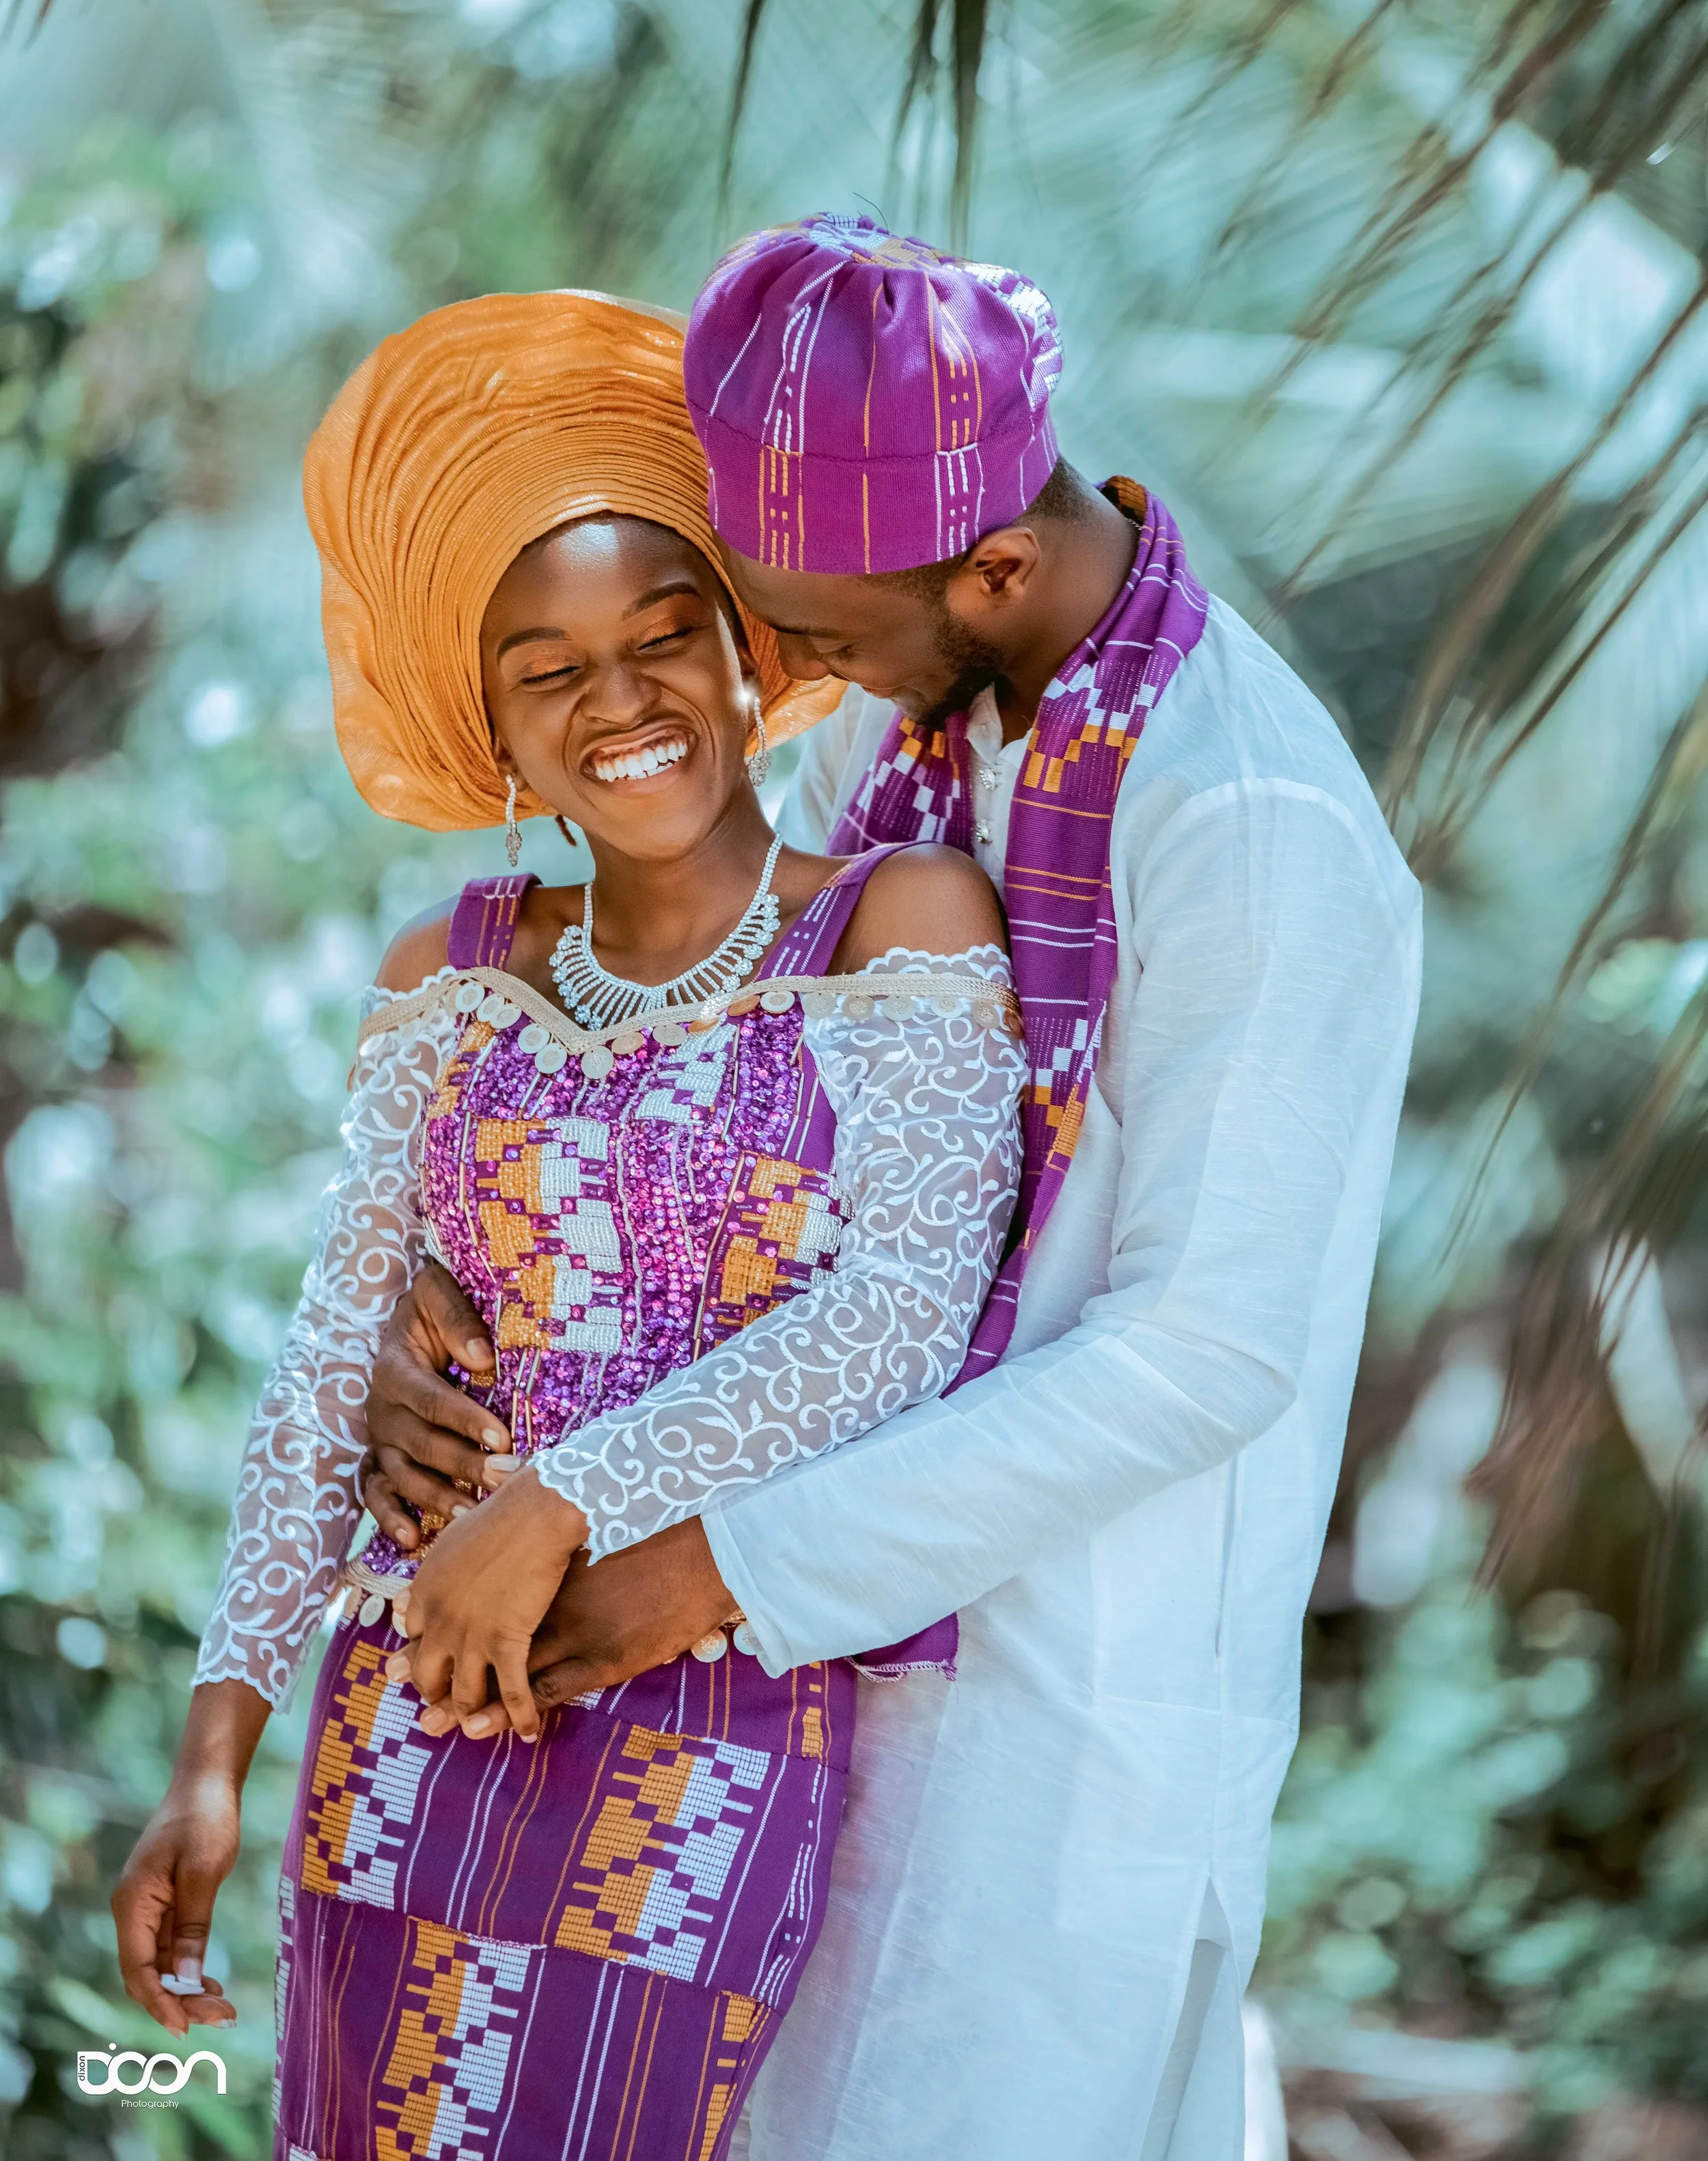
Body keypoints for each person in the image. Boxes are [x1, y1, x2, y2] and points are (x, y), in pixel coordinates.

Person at [357, 219, 1425, 2161]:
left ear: (995, 564)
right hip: (779, 1690)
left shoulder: (1244, 825)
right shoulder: (938, 724)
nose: (790, 680)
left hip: (1050, 1720)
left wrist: (692, 1573)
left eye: (823, 641)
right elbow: (736, 1094)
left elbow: (1200, 1354)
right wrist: (434, 1304)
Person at [109, 286, 1028, 2161]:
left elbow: (893, 1321)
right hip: (404, 1715)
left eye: (663, 633)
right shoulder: (437, 981)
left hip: (705, 1712)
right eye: (550, 669)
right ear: (494, 729)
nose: (620, 699)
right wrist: (215, 1749)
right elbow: (324, 1361)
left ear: (747, 647)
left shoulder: (897, 924)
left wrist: (555, 1499)